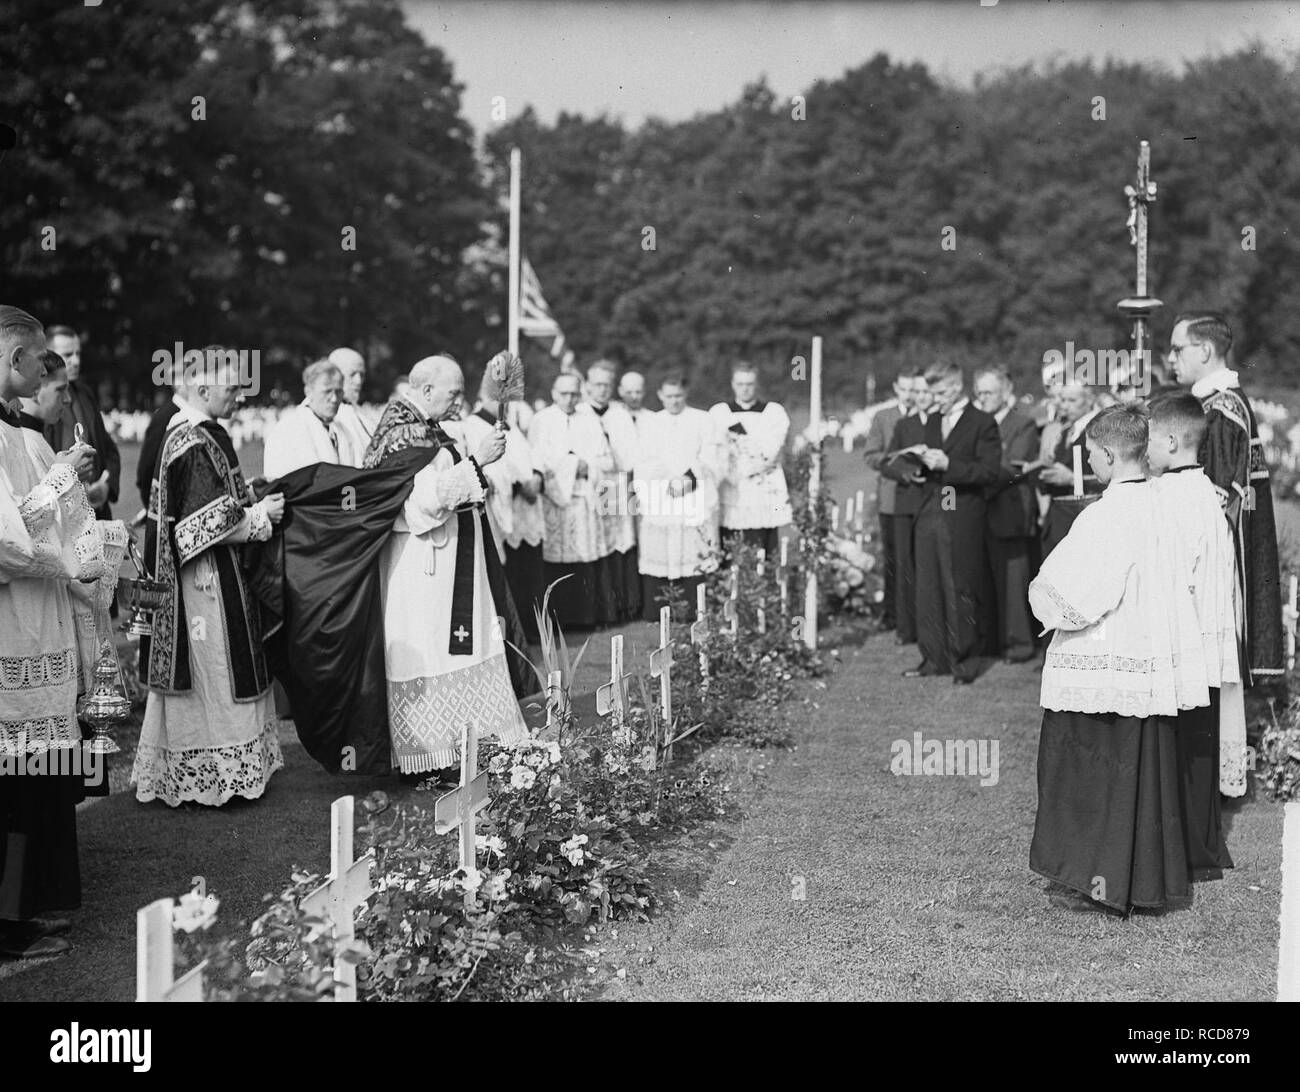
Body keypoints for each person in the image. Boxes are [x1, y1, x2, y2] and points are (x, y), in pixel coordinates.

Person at [1029, 404, 1214, 912]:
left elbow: (1077, 594)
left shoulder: (1107, 514)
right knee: (1138, 775)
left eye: (1090, 453)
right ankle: (1136, 878)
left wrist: (1041, 597)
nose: (1089, 461)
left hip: (1106, 662)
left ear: (1108, 455)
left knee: (1085, 770)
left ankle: (1096, 876)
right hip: (1147, 665)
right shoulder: (1166, 506)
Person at [133, 354, 286, 806]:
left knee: (218, 668)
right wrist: (260, 516)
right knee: (213, 669)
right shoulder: (192, 439)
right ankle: (214, 776)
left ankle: (219, 772)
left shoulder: (196, 433)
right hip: (202, 580)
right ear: (203, 391)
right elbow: (203, 527)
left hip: (210, 574)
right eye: (231, 389)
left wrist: (248, 493)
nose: (240, 396)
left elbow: (217, 500)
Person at [362, 355, 528, 773]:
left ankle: (467, 743)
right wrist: (478, 462)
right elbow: (421, 504)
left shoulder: (429, 427)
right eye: (453, 392)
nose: (458, 400)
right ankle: (433, 753)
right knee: (434, 650)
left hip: (450, 560)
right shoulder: (402, 436)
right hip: (421, 566)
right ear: (427, 389)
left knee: (458, 647)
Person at [0, 305, 103, 958]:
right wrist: (64, 479)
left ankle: (33, 902)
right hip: (10, 629)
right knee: (10, 789)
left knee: (37, 782)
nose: (48, 371)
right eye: (40, 359)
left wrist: (72, 482)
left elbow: (54, 518)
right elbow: (11, 542)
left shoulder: (26, 434)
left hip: (43, 627)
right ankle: (8, 925)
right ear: (13, 359)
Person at [1147, 393, 1242, 878]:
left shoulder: (1167, 498)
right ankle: (1201, 843)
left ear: (1168, 439)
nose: (1144, 451)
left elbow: (1172, 574)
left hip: (1181, 639)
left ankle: (1183, 848)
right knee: (1199, 746)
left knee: (1180, 748)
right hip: (1208, 640)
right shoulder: (1208, 493)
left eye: (1147, 439)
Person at [1169, 312, 1284, 687]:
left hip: (1213, 562)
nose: (1170, 359)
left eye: (1176, 349)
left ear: (1204, 350)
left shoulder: (1220, 411)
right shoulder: (1218, 404)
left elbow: (1212, 500)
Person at [887, 363, 1001, 684]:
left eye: (939, 393)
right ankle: (933, 658)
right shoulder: (934, 420)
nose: (933, 401)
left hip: (962, 513)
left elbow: (990, 472)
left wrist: (950, 464)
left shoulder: (983, 422)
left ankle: (964, 661)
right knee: (928, 587)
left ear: (955, 387)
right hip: (929, 512)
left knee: (959, 587)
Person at [528, 371, 617, 628]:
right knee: (556, 558)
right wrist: (569, 464)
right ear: (554, 393)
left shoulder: (589, 421)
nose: (569, 399)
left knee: (585, 556)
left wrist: (586, 467)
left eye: (574, 394)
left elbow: (606, 460)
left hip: (584, 498)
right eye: (564, 393)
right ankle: (559, 618)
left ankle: (586, 618)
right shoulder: (541, 420)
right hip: (553, 499)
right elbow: (536, 459)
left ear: (581, 394)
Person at [462, 372, 546, 639]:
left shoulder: (510, 425)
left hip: (527, 510)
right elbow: (493, 470)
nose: (505, 402)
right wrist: (521, 486)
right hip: (503, 510)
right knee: (510, 575)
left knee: (527, 573)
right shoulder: (471, 426)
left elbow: (531, 455)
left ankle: (532, 631)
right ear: (483, 395)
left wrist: (537, 476)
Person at [635, 373, 724, 618]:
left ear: (685, 394)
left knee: (692, 551)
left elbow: (711, 457)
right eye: (669, 396)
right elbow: (643, 460)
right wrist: (664, 482)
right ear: (660, 396)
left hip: (693, 494)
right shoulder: (650, 422)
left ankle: (694, 610)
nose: (674, 401)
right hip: (661, 495)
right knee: (661, 551)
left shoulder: (702, 420)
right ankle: (659, 610)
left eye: (678, 396)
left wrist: (689, 478)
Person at [974, 367, 1039, 663]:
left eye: (988, 392)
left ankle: (1019, 645)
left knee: (1014, 584)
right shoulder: (976, 424)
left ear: (1005, 393)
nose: (982, 398)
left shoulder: (1023, 424)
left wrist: (975, 477)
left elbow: (1015, 467)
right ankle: (992, 642)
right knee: (985, 582)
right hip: (981, 512)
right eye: (979, 392)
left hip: (1010, 512)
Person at [709, 362, 791, 561]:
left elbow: (770, 450)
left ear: (757, 385)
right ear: (732, 384)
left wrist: (741, 445)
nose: (745, 389)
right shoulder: (719, 413)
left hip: (763, 488)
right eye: (740, 384)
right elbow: (716, 449)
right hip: (731, 487)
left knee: (764, 544)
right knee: (732, 544)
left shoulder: (773, 412)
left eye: (749, 384)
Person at [862, 368, 919, 635]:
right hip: (891, 498)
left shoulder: (925, 416)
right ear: (897, 388)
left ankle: (916, 613)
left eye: (914, 390)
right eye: (905, 390)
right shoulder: (883, 417)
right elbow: (871, 455)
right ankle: (892, 613)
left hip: (920, 497)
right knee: (894, 560)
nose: (909, 396)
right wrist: (895, 464)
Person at [582, 361, 640, 621]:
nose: (602, 390)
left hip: (616, 483)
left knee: (620, 542)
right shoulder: (581, 414)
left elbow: (631, 453)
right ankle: (602, 607)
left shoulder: (620, 415)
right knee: (597, 542)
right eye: (597, 384)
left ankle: (624, 605)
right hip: (590, 487)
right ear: (587, 386)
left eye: (607, 385)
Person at [43, 325, 119, 520]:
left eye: (78, 353)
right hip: (63, 514)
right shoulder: (42, 404)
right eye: (68, 354)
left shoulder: (86, 393)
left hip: (97, 514)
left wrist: (106, 484)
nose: (75, 361)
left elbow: (108, 448)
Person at [884, 372, 932, 645]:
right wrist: (907, 473)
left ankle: (930, 627)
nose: (920, 397)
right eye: (916, 392)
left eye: (925, 392)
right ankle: (907, 629)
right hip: (906, 500)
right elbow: (888, 462)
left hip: (933, 500)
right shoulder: (904, 425)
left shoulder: (941, 422)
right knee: (905, 566)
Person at [1037, 380, 1102, 557]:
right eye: (1063, 400)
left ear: (1090, 399)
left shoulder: (1101, 428)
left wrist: (1073, 479)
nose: (1065, 406)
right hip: (1057, 523)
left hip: (1082, 523)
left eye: (1072, 401)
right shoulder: (1064, 430)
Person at [263, 360, 344, 479]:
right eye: (327, 391)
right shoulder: (293, 428)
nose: (334, 399)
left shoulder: (339, 428)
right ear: (309, 392)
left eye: (338, 391)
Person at [327, 347, 373, 467]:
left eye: (361, 375)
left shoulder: (365, 416)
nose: (358, 381)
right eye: (352, 374)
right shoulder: (323, 415)